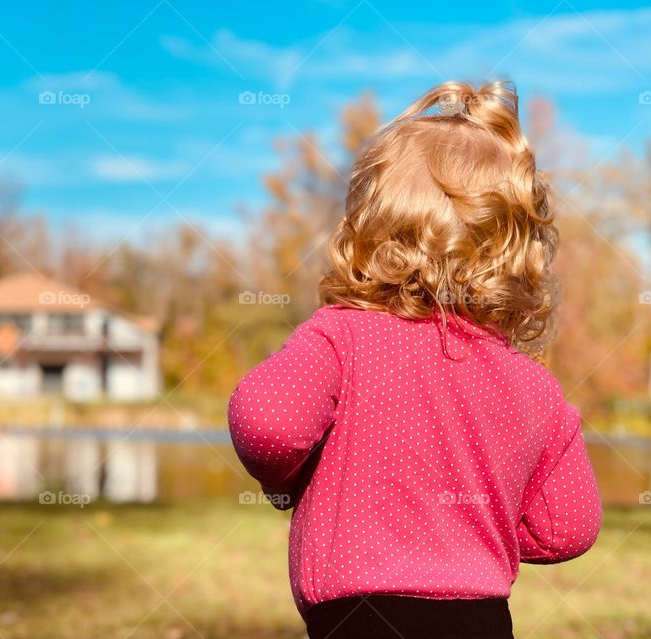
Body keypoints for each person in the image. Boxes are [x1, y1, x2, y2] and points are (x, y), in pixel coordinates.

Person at [228, 80, 603, 639]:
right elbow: (568, 525)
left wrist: (286, 480)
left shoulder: (343, 337)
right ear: (521, 250)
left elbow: (270, 422)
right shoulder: (534, 385)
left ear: (366, 229)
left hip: (361, 618)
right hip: (483, 620)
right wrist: (474, 524)